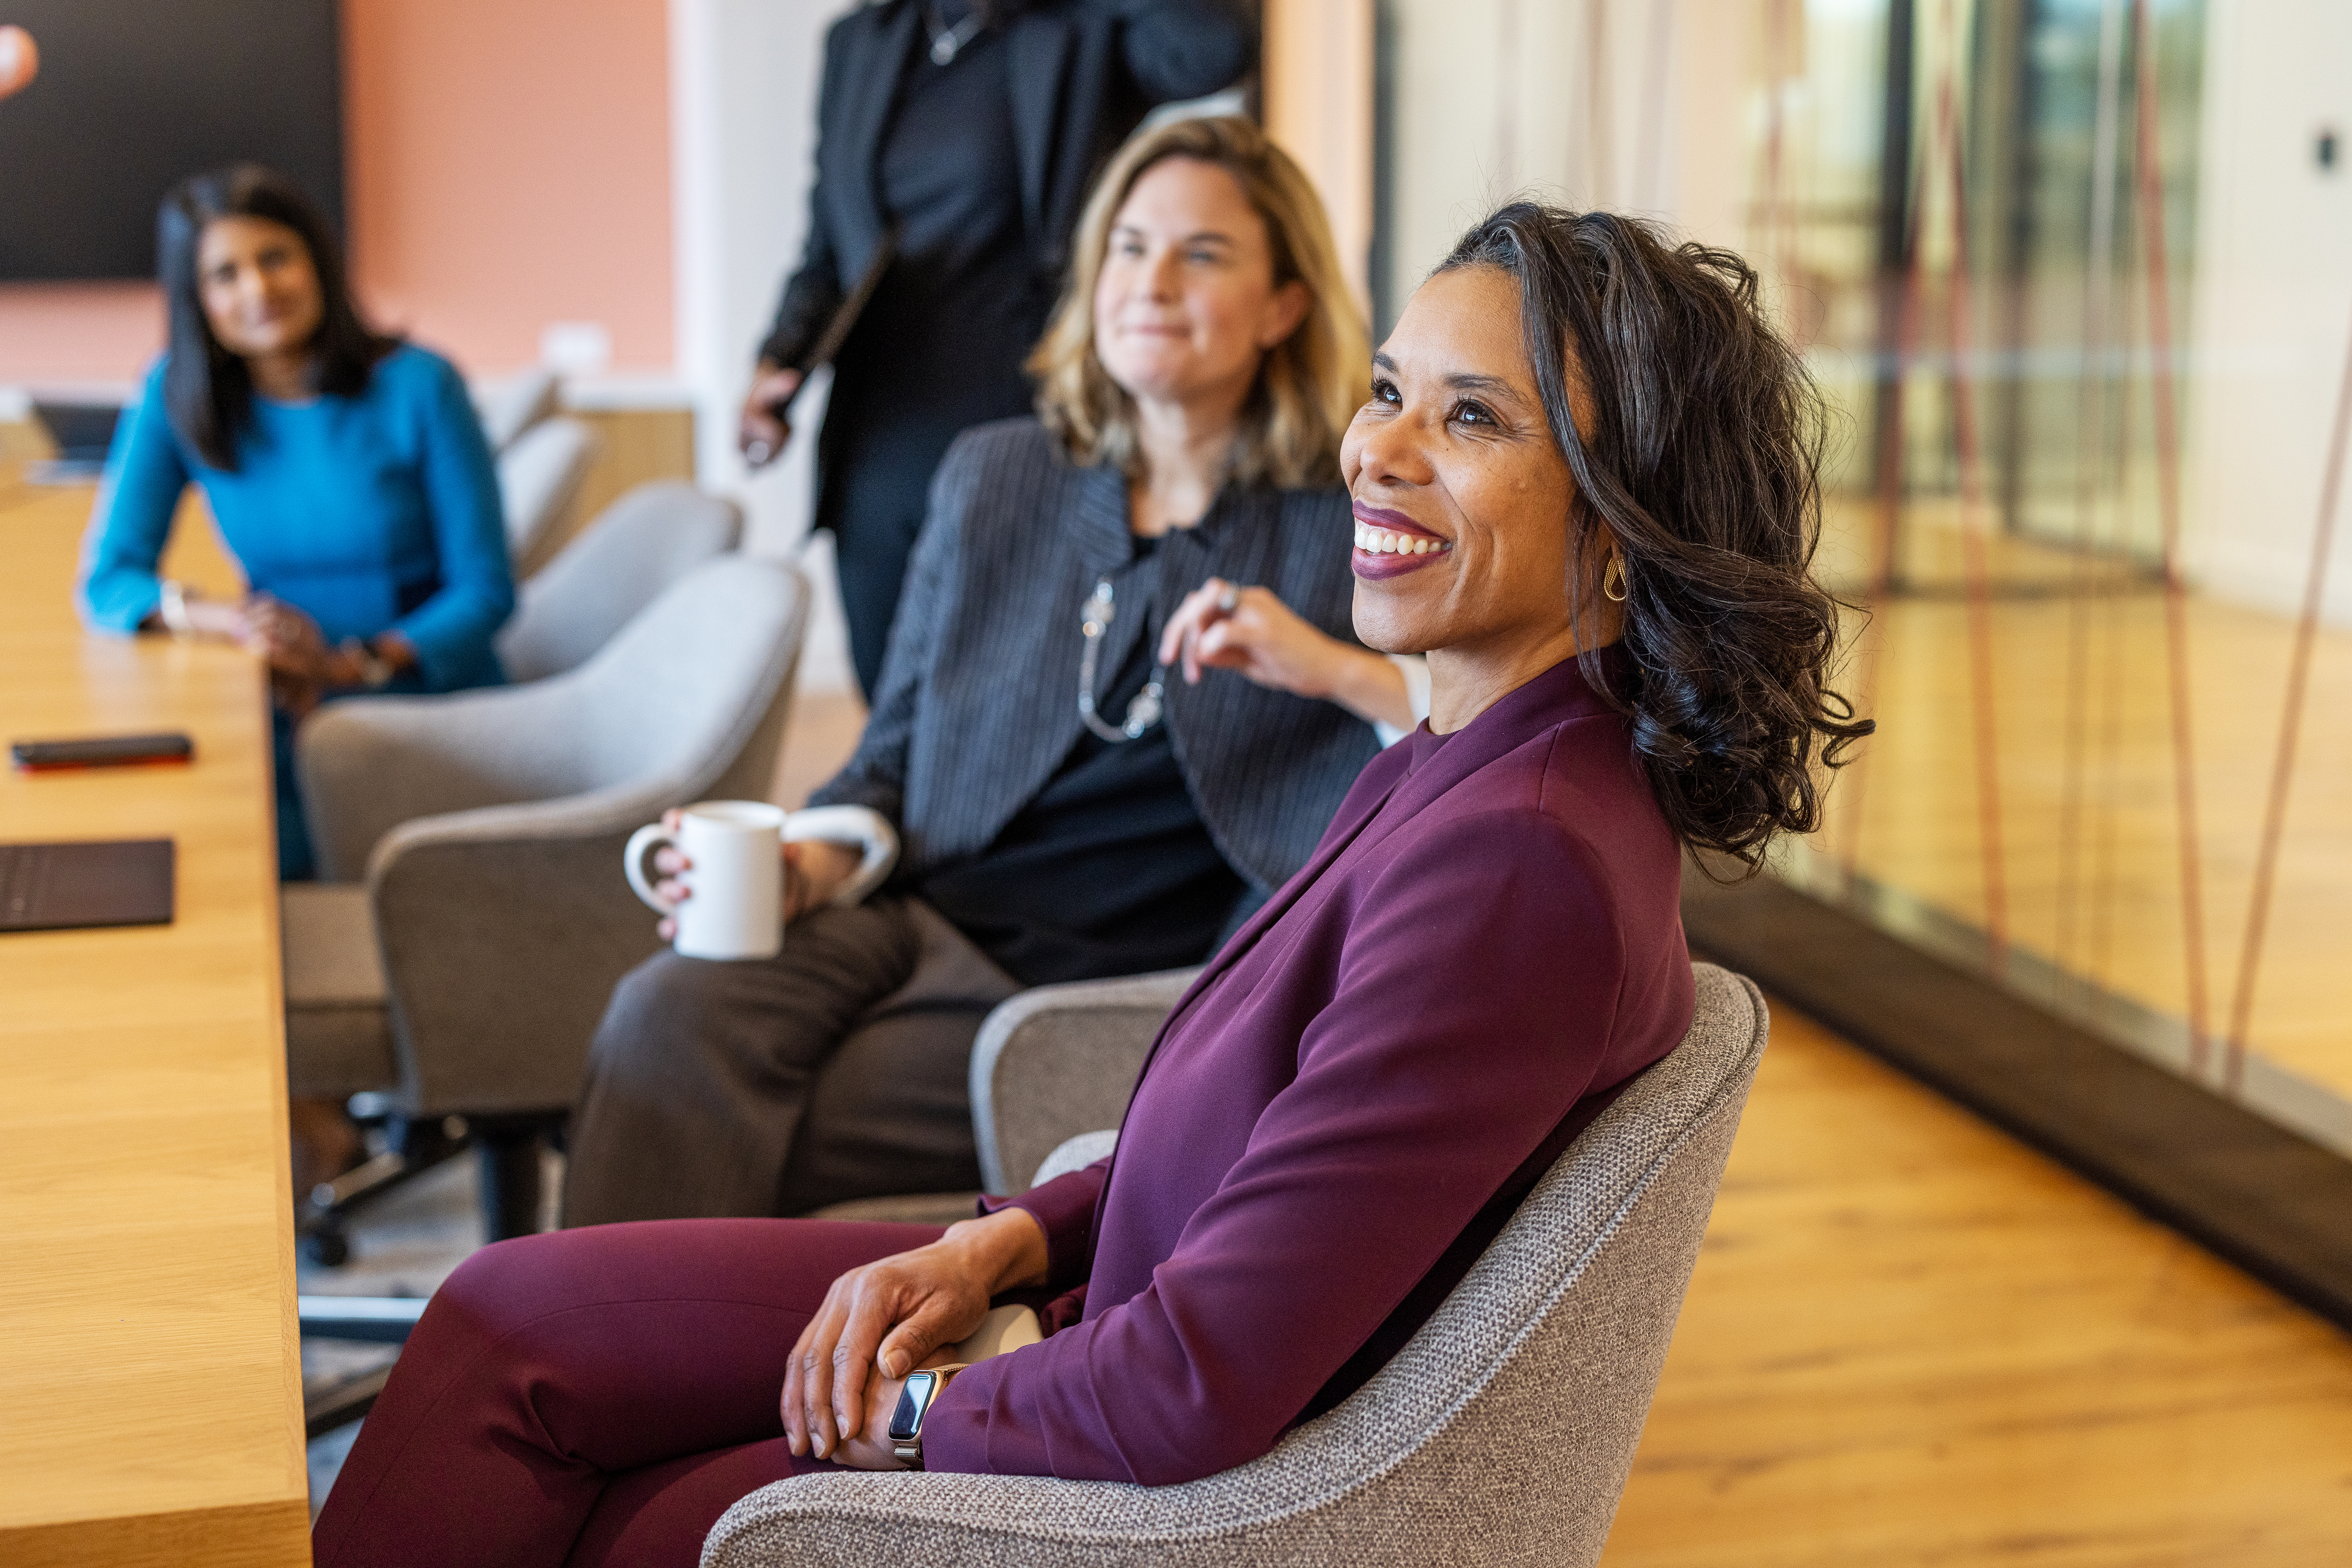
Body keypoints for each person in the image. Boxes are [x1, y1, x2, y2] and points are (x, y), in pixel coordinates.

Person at [313, 200, 1870, 1565]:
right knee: (504, 1324)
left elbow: (1196, 1377)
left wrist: (914, 1412)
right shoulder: (1478, 757)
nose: (1377, 452)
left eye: (1472, 421)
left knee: (593, 1490)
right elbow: (1255, 1153)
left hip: (1124, 1435)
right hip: (1075, 1294)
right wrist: (1001, 1241)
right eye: (1391, 391)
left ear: (1622, 519)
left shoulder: (1519, 865)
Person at [563, 116, 1417, 1227]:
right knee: (664, 1014)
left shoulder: (1345, 524)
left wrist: (1331, 669)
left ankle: (652, 1335)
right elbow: (888, 754)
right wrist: (807, 865)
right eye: (1129, 246)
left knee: (764, 1112)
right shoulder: (997, 477)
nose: (1152, 282)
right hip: (920, 906)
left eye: (1202, 255)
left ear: (1283, 308)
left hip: (1103, 986)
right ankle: (578, 1332)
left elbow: (1463, 740)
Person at [740, 0, 1256, 698]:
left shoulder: (1079, 31)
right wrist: (779, 363)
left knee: (1012, 700)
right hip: (879, 440)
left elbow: (1217, 49)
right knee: (888, 693)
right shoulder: (861, 42)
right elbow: (830, 249)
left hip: (1034, 427)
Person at [76, 165, 515, 884]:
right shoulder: (175, 393)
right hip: (278, 698)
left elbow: (486, 591)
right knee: (180, 845)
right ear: (197, 299)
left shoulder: (419, 386)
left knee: (249, 869)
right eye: (225, 274)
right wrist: (233, 623)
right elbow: (109, 579)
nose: (258, 289)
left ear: (318, 261)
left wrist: (348, 666)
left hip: (426, 704)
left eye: (275, 257)